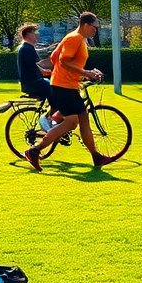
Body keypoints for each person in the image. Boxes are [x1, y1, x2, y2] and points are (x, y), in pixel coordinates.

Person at [21, 12, 112, 171]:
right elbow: (63, 60)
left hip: (68, 85)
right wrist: (85, 73)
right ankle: (34, 151)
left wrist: (85, 73)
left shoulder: (79, 39)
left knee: (83, 120)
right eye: (95, 27)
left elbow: (55, 58)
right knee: (72, 122)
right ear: (85, 24)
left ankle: (96, 157)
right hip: (63, 86)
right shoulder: (74, 38)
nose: (96, 30)